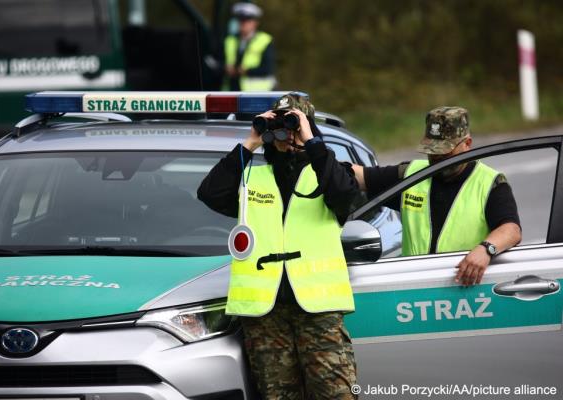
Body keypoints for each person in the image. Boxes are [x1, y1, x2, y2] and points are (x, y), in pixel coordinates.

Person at [198, 93, 359, 399]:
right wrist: (251, 142)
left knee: (336, 394)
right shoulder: (253, 177)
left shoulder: (327, 173)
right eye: (282, 125)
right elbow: (210, 192)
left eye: (293, 124)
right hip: (265, 314)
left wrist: (309, 139)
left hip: (318, 311)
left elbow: (344, 196)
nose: (286, 135)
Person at [352, 106, 522, 286]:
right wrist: (321, 157)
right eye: (432, 151)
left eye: (445, 151)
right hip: (415, 289)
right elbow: (358, 176)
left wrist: (486, 249)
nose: (437, 158)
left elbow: (511, 230)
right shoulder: (411, 174)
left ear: (467, 144)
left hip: (465, 290)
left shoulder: (489, 183)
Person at [223, 2, 276, 91]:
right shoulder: (230, 40)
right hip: (232, 89)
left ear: (255, 23)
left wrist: (246, 71)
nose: (243, 23)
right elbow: (219, 62)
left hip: (257, 92)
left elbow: (268, 68)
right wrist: (226, 68)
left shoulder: (265, 40)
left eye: (247, 20)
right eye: (240, 20)